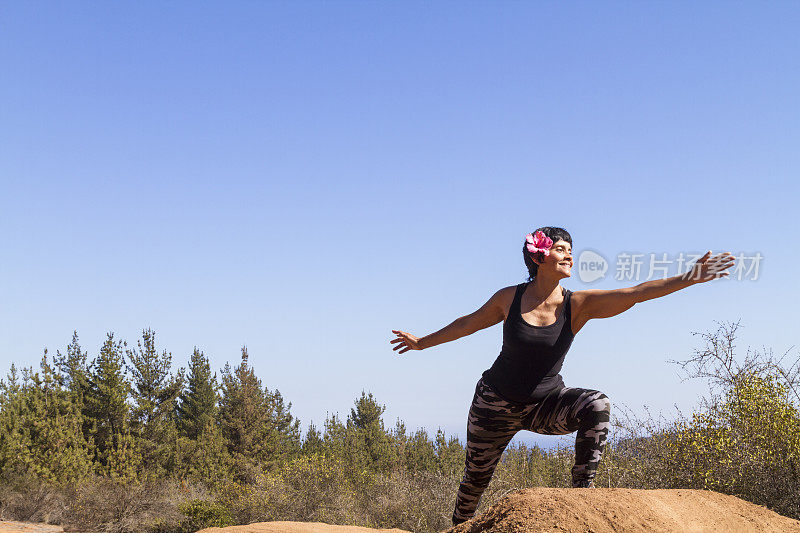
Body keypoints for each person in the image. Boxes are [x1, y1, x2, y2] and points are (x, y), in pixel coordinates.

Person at [389, 226, 735, 527]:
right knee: (474, 484)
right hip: (494, 405)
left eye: (571, 250)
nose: (569, 256)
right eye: (560, 249)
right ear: (539, 257)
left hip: (546, 407)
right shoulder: (509, 298)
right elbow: (467, 324)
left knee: (597, 404)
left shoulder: (578, 304)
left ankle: (581, 494)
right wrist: (421, 343)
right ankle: (459, 529)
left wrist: (690, 276)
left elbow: (636, 294)